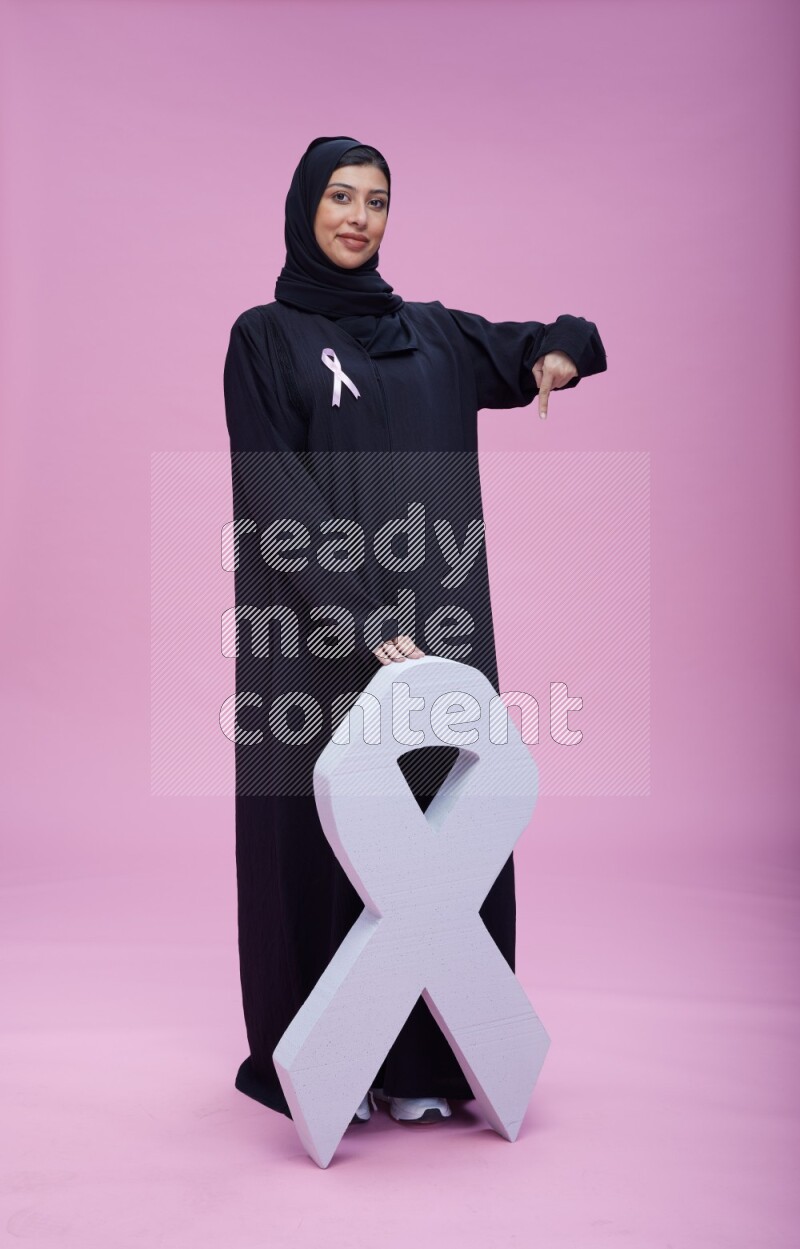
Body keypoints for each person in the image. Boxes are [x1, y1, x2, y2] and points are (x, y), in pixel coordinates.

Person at [223, 135, 607, 1128]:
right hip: (312, 638)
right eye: (340, 196)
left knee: (443, 834)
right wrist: (355, 617)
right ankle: (317, 1067)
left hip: (438, 635)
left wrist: (559, 354)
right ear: (304, 205)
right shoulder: (264, 338)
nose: (357, 215)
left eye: (377, 200)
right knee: (315, 838)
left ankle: (431, 1062)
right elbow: (273, 491)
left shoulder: (431, 335)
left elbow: (548, 336)